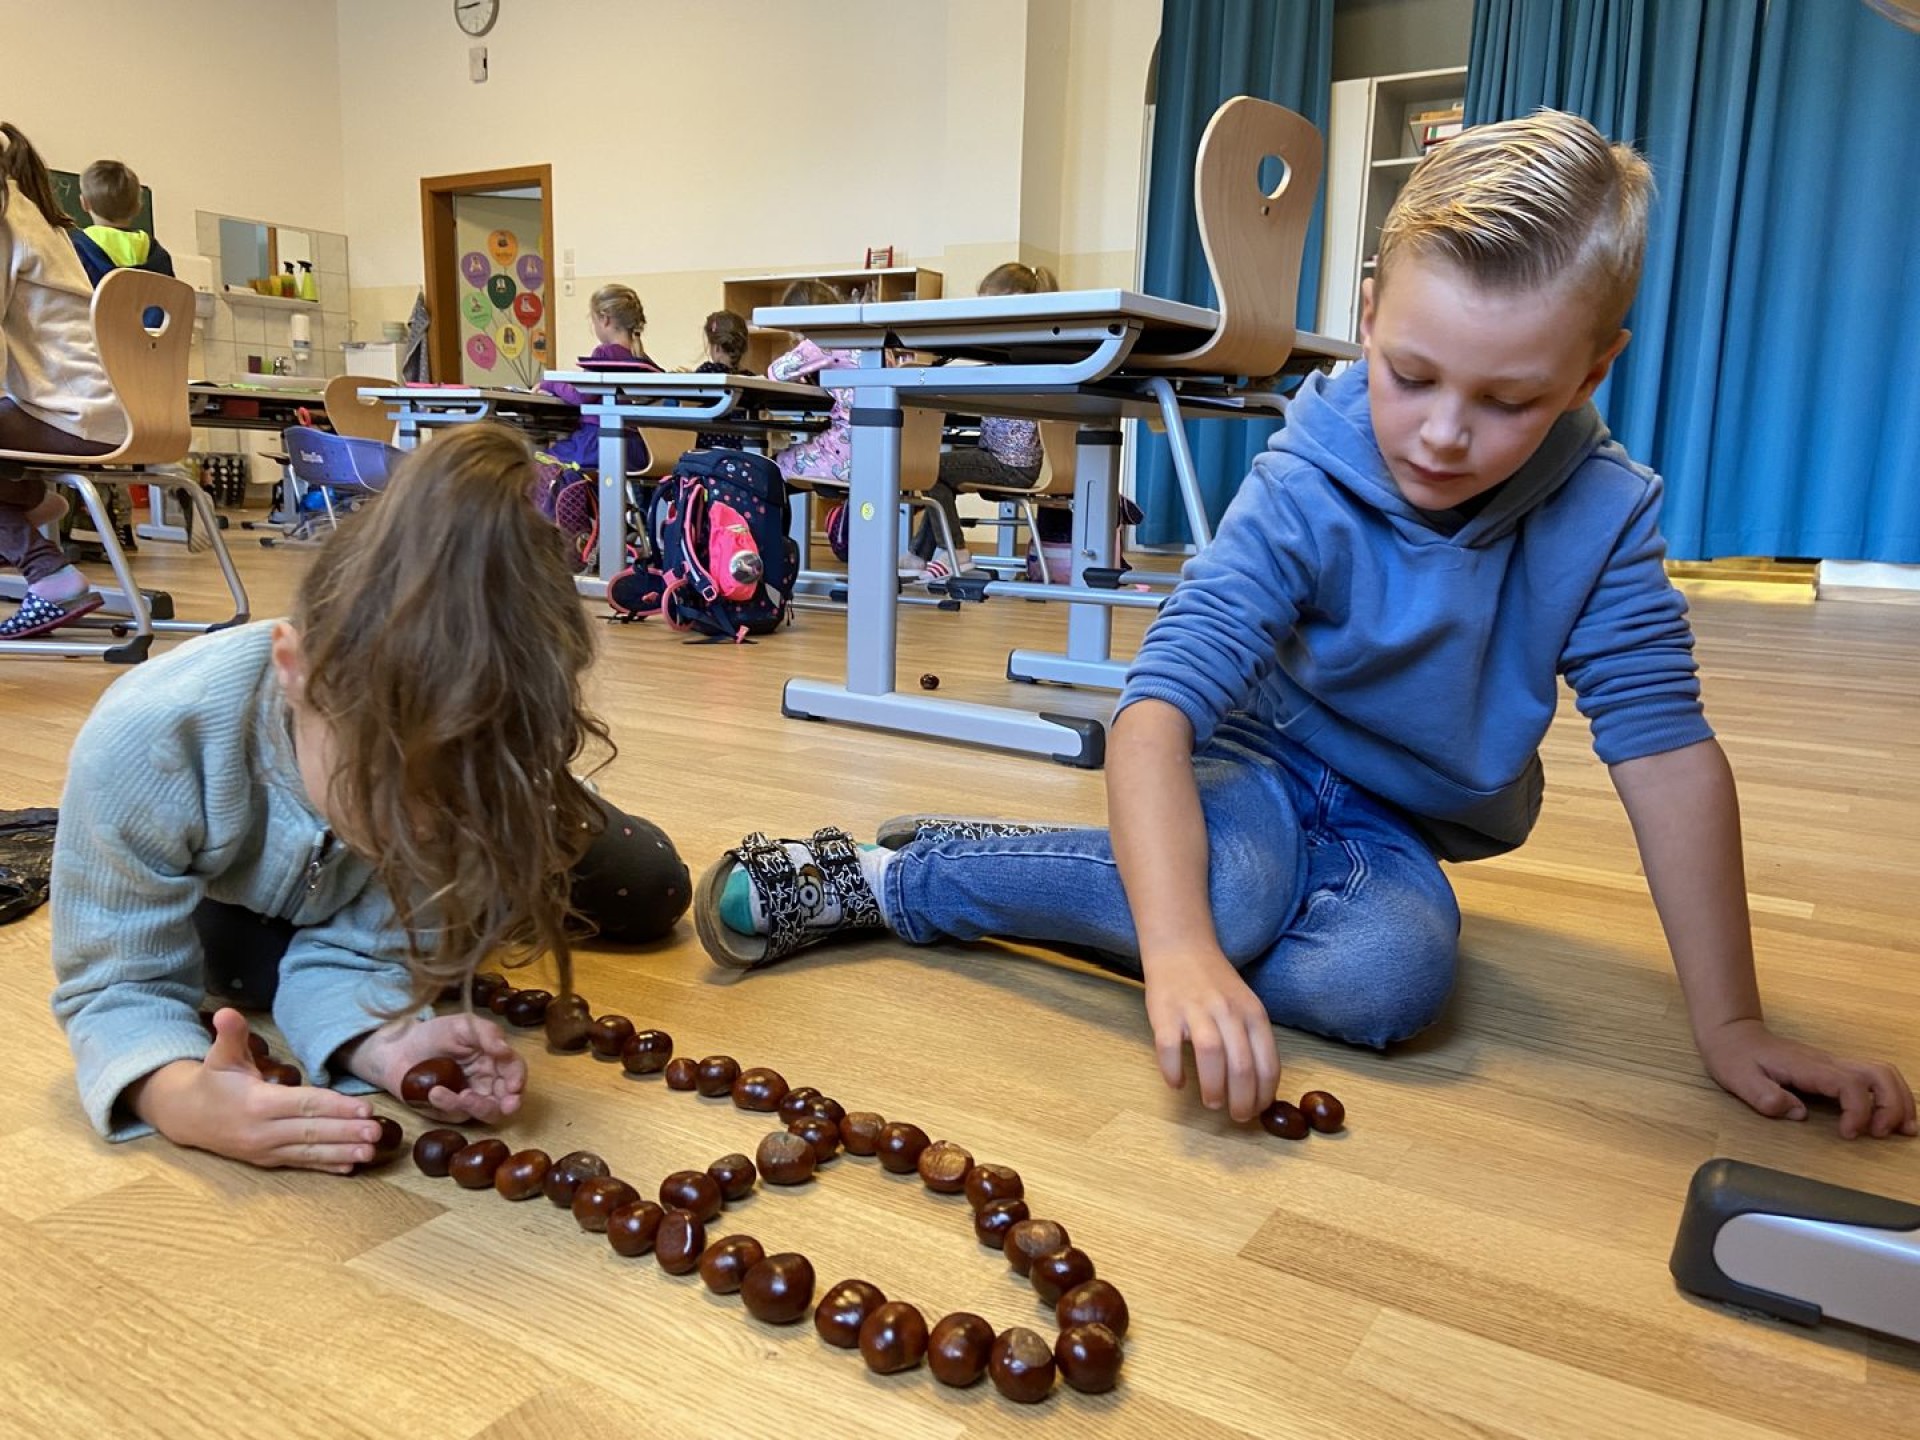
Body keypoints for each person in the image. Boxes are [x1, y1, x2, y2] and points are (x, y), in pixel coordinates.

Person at [692, 110, 1916, 1142]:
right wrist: (1176, 956)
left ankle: (1105, 883)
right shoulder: (1307, 474)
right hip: (1253, 759)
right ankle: (903, 877)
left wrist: (1731, 1020)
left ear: (1591, 375)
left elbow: (1666, 753)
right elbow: (1159, 710)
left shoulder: (1605, 515)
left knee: (1389, 983)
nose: (1443, 434)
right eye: (1414, 375)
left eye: (1509, 402)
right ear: (1371, 316)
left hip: (1390, 823)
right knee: (1217, 907)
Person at [50, 424, 693, 1173]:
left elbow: (367, 950)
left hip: (434, 837)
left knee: (645, 880)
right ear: (293, 668)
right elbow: (116, 986)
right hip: (235, 888)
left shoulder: (465, 806)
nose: (417, 831)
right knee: (232, 976)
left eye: (456, 804)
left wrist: (386, 1042)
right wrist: (179, 1099)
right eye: (394, 787)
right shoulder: (147, 740)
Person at [0, 123, 123, 639]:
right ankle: (21, 501)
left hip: (72, 412)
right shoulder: (38, 217)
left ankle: (48, 573)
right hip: (109, 409)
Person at [909, 261, 1057, 582]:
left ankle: (956, 553)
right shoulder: (1035, 349)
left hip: (1009, 463)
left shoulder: (1019, 353)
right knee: (931, 471)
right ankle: (918, 556)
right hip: (1014, 459)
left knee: (928, 470)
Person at [535, 283, 659, 557]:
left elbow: (583, 396)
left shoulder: (605, 355)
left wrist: (550, 382)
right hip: (638, 450)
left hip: (602, 444)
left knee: (542, 460)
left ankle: (558, 546)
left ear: (604, 319)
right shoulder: (645, 362)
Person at [69, 158, 175, 288]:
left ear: (84, 203)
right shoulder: (157, 254)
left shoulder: (76, 248)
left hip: (100, 308)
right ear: (138, 207)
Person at [692, 308, 749, 452]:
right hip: (742, 456)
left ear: (716, 347)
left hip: (707, 454)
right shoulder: (750, 379)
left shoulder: (706, 373)